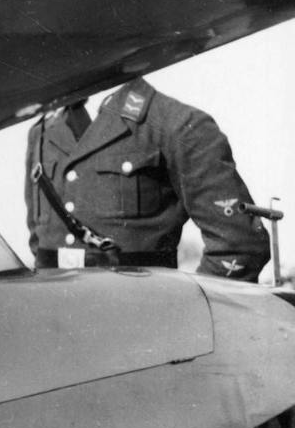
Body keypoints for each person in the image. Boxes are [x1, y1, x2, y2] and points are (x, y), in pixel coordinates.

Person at [25, 78, 269, 278]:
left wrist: (185, 314)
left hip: (141, 318)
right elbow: (39, 241)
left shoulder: (177, 125)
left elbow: (240, 245)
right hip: (52, 319)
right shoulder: (44, 132)